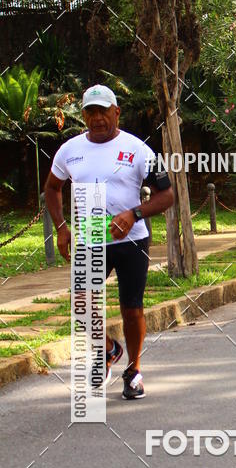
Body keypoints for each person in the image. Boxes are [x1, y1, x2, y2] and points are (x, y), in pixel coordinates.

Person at [44, 84, 174, 400]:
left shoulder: (140, 150)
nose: (98, 118)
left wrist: (135, 213)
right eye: (91, 112)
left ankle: (133, 371)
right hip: (90, 240)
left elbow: (167, 195)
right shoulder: (69, 150)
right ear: (84, 115)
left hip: (131, 241)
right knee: (82, 303)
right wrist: (62, 227)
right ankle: (107, 350)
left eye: (104, 111)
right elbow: (51, 188)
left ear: (116, 112)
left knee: (131, 309)